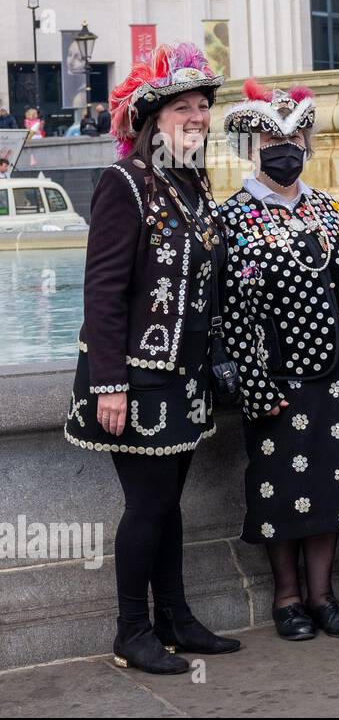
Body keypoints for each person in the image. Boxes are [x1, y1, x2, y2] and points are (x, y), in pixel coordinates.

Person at [63, 42, 240, 673]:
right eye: (182, 108)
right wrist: (110, 382)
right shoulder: (125, 183)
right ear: (149, 121)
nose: (196, 118)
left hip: (183, 378)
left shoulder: (191, 183)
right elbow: (103, 291)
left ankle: (176, 618)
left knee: (168, 503)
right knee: (148, 505)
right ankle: (130, 632)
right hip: (134, 379)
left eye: (202, 108)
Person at [219, 81, 339, 641]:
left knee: (336, 485)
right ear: (253, 144)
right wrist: (256, 384)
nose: (284, 147)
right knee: (279, 489)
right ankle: (286, 599)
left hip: (338, 375)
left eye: (294, 137)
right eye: (272, 137)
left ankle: (323, 595)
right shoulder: (234, 217)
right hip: (278, 377)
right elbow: (233, 311)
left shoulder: (328, 210)